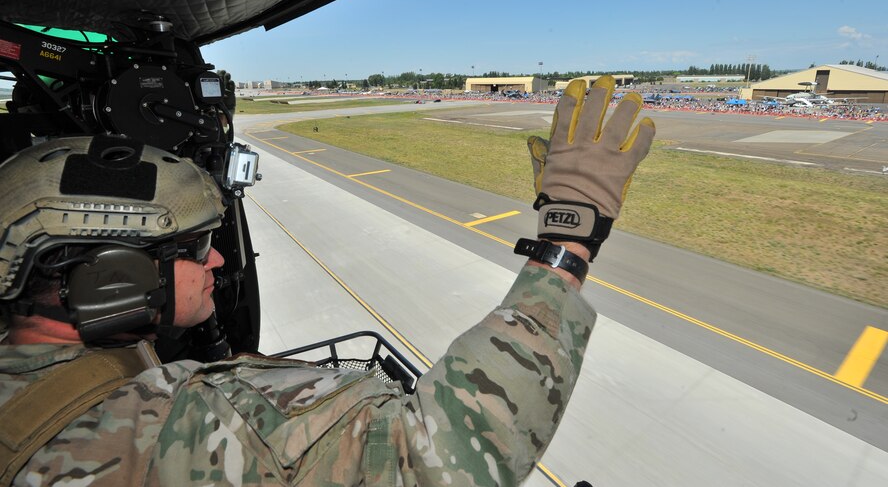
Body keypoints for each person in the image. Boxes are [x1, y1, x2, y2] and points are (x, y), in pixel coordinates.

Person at [0, 76, 654, 486]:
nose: (219, 261)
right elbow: (435, 462)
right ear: (114, 277)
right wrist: (568, 237)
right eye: (194, 248)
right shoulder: (180, 421)